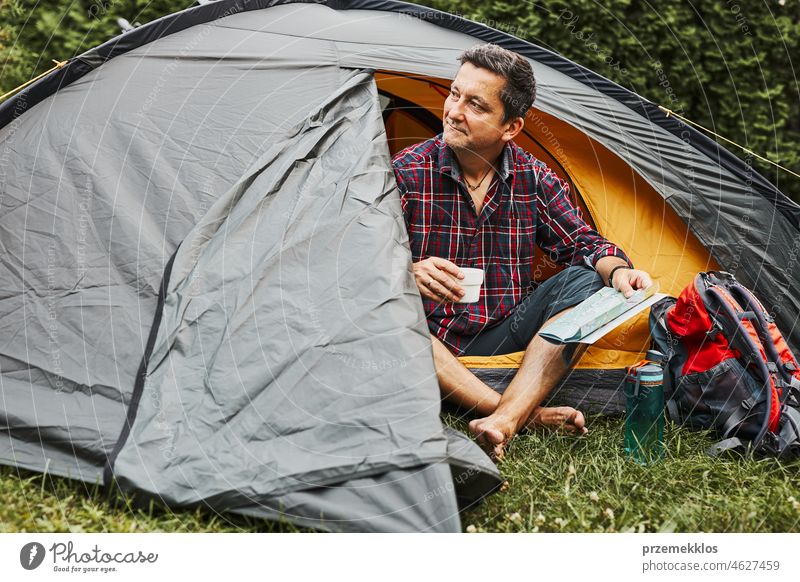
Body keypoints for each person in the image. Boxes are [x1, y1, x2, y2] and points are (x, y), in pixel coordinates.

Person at [391, 44, 653, 458]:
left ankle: (501, 417)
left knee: (588, 280)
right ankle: (516, 414)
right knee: (389, 311)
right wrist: (407, 272)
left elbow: (585, 245)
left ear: (510, 127)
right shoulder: (405, 172)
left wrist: (618, 270)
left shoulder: (533, 177)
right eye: (454, 94)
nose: (454, 111)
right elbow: (358, 262)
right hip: (426, 340)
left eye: (475, 104)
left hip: (502, 336)